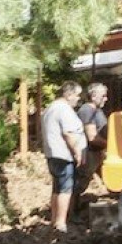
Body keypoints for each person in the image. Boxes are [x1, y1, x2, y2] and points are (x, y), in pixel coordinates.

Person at [40, 81, 85, 232]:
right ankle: (60, 223)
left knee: (57, 188)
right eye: (77, 95)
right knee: (65, 189)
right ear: (69, 94)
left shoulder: (50, 108)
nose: (78, 99)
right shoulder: (64, 109)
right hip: (64, 155)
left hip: (52, 154)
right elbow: (68, 133)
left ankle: (54, 220)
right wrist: (77, 151)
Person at [75, 82, 110, 210]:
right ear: (93, 96)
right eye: (103, 96)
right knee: (79, 184)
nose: (106, 99)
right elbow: (92, 137)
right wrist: (112, 147)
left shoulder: (97, 110)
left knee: (108, 179)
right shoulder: (87, 110)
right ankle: (70, 213)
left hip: (97, 153)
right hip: (89, 153)